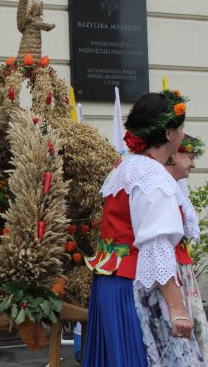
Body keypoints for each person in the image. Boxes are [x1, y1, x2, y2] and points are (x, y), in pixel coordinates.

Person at [84, 91, 202, 366]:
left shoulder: (128, 165)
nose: (183, 135)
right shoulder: (151, 176)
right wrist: (177, 308)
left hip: (115, 283)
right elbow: (157, 243)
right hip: (138, 288)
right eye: (182, 129)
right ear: (170, 133)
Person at [163, 134, 208, 361]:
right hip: (170, 271)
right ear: (174, 154)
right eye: (189, 157)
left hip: (182, 269)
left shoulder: (176, 188)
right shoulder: (162, 187)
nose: (193, 164)